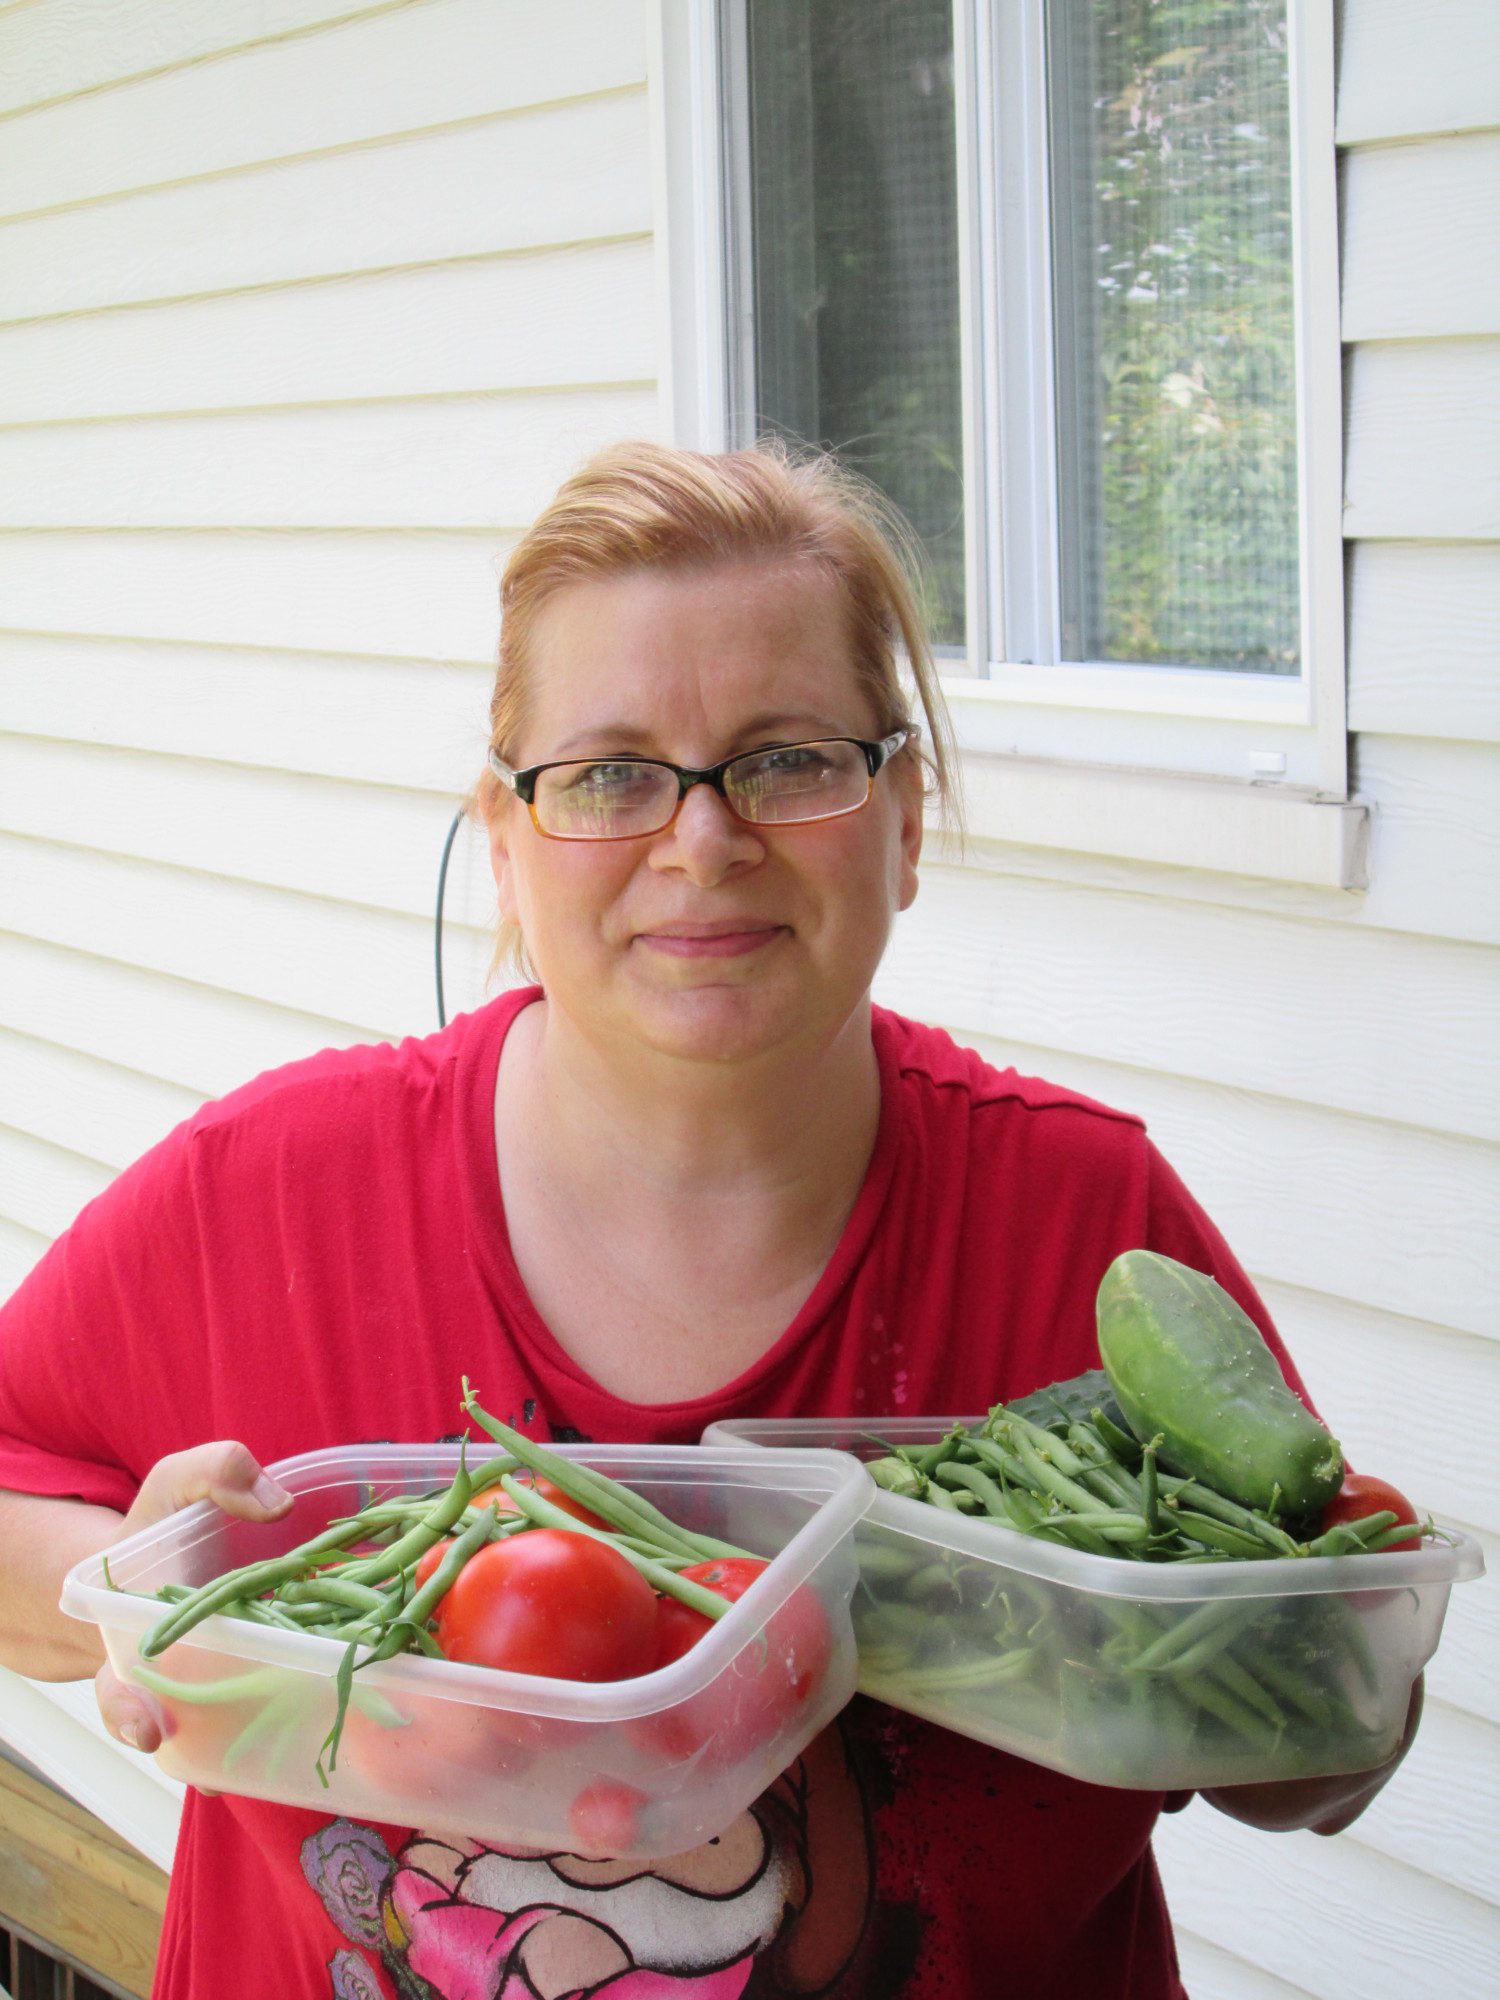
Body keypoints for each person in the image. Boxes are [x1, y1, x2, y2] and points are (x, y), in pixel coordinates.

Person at [0, 441, 1418, 2000]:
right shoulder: (271, 1194)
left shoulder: (1081, 1224)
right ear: (506, 843)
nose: (703, 840)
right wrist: (130, 1586)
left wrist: (1271, 1657)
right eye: (610, 774)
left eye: (787, 759)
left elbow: (1320, 1765)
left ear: (905, 819)